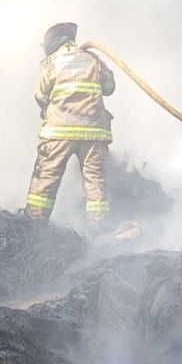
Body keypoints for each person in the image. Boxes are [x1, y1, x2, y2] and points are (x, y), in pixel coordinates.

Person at [24, 22, 116, 231]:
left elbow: (40, 95)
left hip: (58, 133)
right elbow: (109, 87)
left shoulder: (51, 62)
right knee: (95, 181)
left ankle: (34, 227)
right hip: (93, 133)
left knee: (46, 179)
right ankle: (99, 229)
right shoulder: (94, 59)